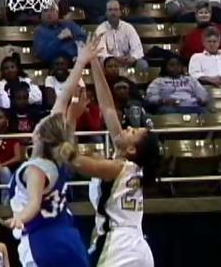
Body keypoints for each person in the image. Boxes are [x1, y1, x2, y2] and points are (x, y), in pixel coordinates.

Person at [1, 39, 102, 267]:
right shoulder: (60, 157)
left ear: (38, 135)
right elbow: (63, 98)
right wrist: (81, 62)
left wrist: (19, 218)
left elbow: (34, 203)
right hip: (69, 237)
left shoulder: (35, 169)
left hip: (42, 239)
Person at [67, 53, 162, 267]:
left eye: (132, 131)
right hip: (138, 244)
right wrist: (94, 62)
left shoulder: (118, 167)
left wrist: (71, 118)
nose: (127, 128)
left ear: (131, 149)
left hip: (118, 245)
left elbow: (75, 160)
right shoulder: (131, 166)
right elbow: (108, 107)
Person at [95, 0, 148, 69]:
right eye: (110, 10)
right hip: (109, 64)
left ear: (120, 12)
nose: (113, 13)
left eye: (116, 10)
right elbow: (101, 53)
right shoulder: (100, 29)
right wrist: (115, 59)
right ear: (106, 13)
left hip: (128, 63)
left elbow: (137, 48)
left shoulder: (128, 27)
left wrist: (132, 58)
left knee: (142, 64)